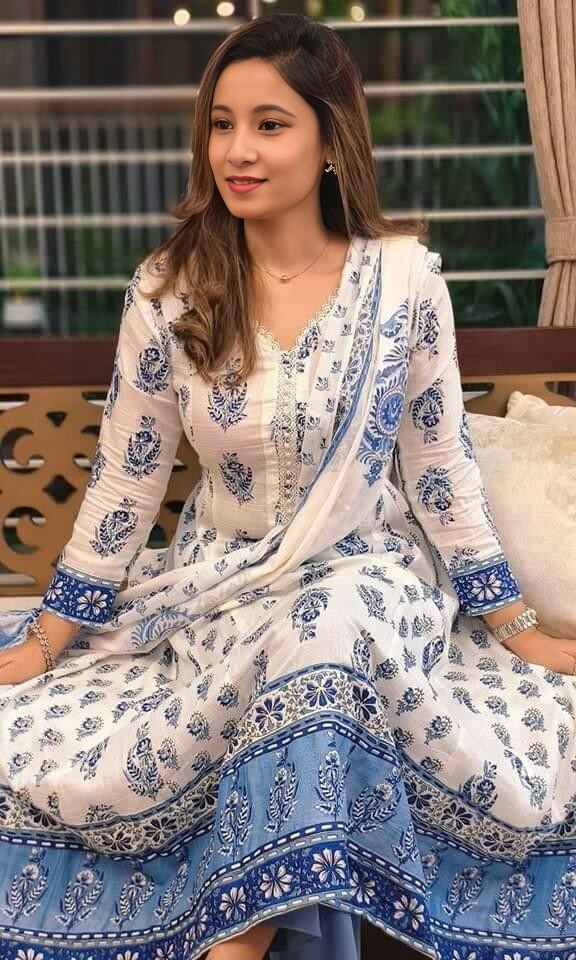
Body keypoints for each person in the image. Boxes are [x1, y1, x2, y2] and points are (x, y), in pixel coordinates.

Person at [1, 13, 575, 960]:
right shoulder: (170, 292)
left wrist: (516, 625)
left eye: (270, 124)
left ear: (330, 138)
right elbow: (126, 485)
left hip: (372, 575)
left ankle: (237, 943)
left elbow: (441, 471)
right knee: (308, 649)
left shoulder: (403, 282)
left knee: (332, 627)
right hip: (225, 587)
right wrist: (47, 637)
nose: (238, 150)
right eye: (222, 124)